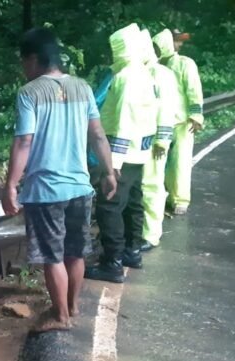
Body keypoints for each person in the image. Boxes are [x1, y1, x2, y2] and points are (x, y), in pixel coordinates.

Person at [2, 28, 117, 332]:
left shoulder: (30, 93)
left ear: (33, 59)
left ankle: (60, 316)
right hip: (80, 187)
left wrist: (11, 184)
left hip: (46, 190)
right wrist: (108, 171)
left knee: (52, 255)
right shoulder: (83, 88)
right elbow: (97, 134)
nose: (23, 69)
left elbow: (24, 141)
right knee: (74, 251)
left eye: (23, 62)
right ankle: (74, 307)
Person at [84, 23, 157, 284]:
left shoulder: (126, 77)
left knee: (110, 206)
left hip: (121, 152)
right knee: (133, 203)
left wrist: (112, 164)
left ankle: (112, 262)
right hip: (140, 152)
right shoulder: (146, 75)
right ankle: (132, 251)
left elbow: (124, 119)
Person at [152, 28, 204, 216]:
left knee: (180, 163)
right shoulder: (154, 66)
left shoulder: (184, 64)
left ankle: (180, 200)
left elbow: (194, 90)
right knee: (157, 163)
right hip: (160, 122)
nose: (179, 44)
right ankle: (162, 197)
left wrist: (196, 115)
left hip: (182, 123)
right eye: (176, 40)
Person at [139, 29, 178, 251]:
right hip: (143, 138)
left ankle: (150, 234)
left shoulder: (160, 74)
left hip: (154, 141)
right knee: (143, 186)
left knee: (151, 185)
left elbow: (167, 108)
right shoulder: (146, 71)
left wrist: (162, 138)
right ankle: (144, 231)